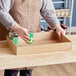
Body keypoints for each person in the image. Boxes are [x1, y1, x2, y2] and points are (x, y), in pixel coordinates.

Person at [0, 0, 65, 76]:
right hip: (13, 34)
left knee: (28, 68)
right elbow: (2, 11)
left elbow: (48, 11)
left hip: (32, 35)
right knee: (12, 69)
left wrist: (57, 26)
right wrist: (17, 28)